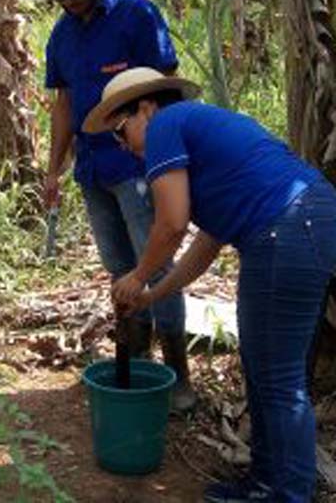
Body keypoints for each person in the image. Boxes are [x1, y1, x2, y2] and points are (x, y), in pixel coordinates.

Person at [90, 68, 336, 502]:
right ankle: (266, 481)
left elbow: (170, 225)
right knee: (265, 368)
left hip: (288, 228)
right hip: (303, 221)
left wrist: (137, 276)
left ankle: (288, 493)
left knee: (277, 377)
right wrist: (152, 295)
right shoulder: (198, 132)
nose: (123, 146)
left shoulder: (167, 124)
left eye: (121, 130)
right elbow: (206, 242)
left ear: (146, 108)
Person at [18, 0, 196, 411]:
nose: (67, 3)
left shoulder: (137, 16)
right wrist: (54, 169)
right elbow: (64, 105)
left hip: (138, 165)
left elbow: (167, 90)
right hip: (94, 169)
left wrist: (165, 158)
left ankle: (178, 375)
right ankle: (137, 362)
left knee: (155, 267)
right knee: (120, 270)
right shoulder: (62, 35)